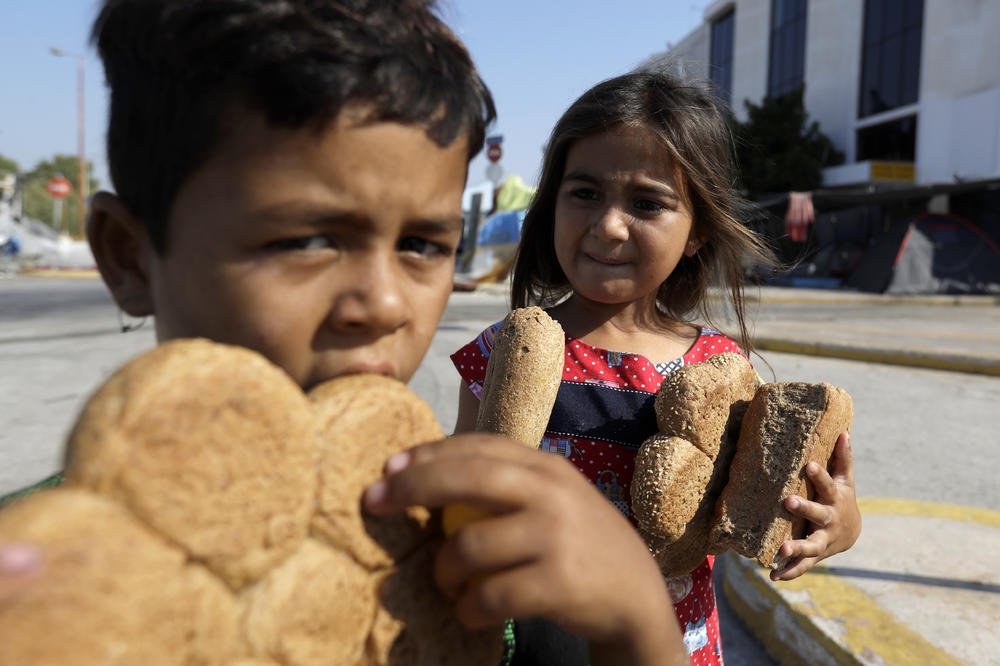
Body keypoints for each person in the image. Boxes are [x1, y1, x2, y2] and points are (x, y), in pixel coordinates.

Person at [0, 2, 688, 664]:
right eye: (307, 239)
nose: (385, 304)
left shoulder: (457, 557)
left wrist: (637, 625)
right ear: (127, 255)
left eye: (421, 244)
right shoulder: (41, 587)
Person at [451, 69, 862, 664]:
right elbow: (462, 499)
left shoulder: (722, 371)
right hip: (533, 647)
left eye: (646, 203)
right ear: (552, 201)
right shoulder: (504, 353)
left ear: (696, 231)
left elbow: (768, 517)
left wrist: (836, 525)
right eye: (584, 192)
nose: (609, 225)